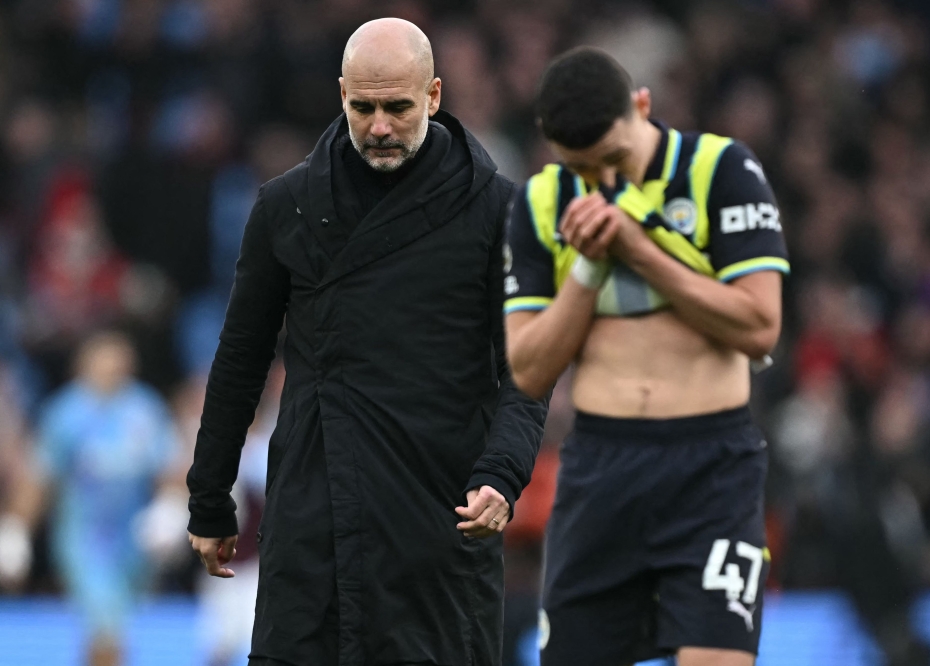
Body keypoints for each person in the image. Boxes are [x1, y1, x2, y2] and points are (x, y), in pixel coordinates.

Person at [185, 18, 547, 666]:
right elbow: (241, 358)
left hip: (439, 527)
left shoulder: (499, 212)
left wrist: (503, 471)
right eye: (364, 107)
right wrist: (210, 497)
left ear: (434, 97)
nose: (379, 126)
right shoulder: (286, 206)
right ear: (341, 96)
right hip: (313, 522)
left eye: (398, 107)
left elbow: (527, 365)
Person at [504, 48, 789, 666]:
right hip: (601, 469)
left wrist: (639, 249)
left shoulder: (720, 169)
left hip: (711, 470)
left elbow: (762, 326)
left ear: (642, 106)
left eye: (613, 160)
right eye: (581, 169)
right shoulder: (540, 205)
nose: (602, 183)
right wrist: (587, 268)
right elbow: (527, 370)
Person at [34, 331, 179, 666]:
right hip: (85, 538)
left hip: (134, 539)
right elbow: (41, 477)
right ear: (84, 365)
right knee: (106, 623)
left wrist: (169, 506)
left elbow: (170, 466)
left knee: (113, 627)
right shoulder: (65, 413)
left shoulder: (145, 408)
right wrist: (15, 526)